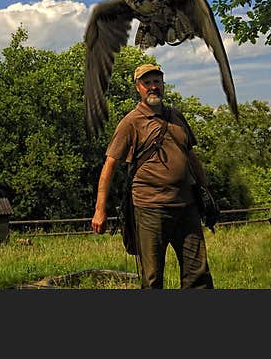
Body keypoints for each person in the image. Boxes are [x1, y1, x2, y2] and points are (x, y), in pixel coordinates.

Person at [91, 63, 214, 289]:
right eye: (147, 83)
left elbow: (191, 155)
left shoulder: (176, 116)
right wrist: (100, 210)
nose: (153, 87)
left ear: (163, 85)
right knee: (152, 277)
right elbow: (109, 165)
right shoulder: (131, 122)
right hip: (150, 208)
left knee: (198, 273)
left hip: (186, 206)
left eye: (157, 81)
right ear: (138, 88)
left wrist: (205, 193)